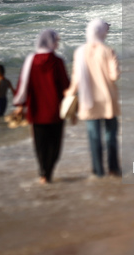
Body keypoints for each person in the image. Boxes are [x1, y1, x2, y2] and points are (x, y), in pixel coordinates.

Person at [66, 19, 121, 178]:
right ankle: (113, 169)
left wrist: (69, 94)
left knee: (94, 137)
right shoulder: (108, 50)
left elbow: (76, 79)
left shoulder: (80, 51)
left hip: (88, 100)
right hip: (107, 99)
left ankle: (98, 171)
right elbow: (114, 75)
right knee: (110, 135)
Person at [13, 30, 69, 183]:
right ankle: (48, 173)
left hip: (36, 110)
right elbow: (65, 86)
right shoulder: (57, 61)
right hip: (56, 111)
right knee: (55, 145)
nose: (57, 43)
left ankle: (43, 173)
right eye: (56, 40)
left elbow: (24, 84)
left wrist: (20, 105)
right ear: (49, 42)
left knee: (40, 144)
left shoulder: (31, 60)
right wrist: (73, 107)